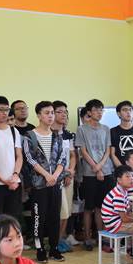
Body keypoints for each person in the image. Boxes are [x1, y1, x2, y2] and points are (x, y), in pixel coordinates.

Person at [23, 101, 68, 263]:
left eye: (52, 113)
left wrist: (54, 176)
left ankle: (54, 248)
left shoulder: (57, 136)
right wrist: (46, 175)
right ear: (39, 115)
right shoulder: (29, 136)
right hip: (39, 184)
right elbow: (30, 159)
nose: (50, 116)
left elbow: (62, 158)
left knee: (54, 216)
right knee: (38, 218)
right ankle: (40, 249)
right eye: (47, 113)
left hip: (55, 183)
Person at [76, 99, 114, 251]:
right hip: (89, 173)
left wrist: (101, 166)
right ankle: (87, 238)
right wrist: (96, 168)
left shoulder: (106, 128)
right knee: (88, 207)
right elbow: (83, 151)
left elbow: (107, 150)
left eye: (101, 110)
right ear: (89, 112)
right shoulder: (82, 129)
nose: (99, 113)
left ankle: (101, 237)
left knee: (101, 207)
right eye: (96, 110)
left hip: (106, 171)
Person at [0, 95, 23, 222]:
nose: (4, 113)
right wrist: (4, 180)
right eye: (1, 109)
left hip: (14, 183)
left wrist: (15, 175)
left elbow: (19, 156)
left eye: (7, 109)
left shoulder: (14, 131)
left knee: (13, 220)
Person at [54, 100, 78, 254]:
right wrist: (63, 173)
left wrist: (70, 171)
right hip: (56, 178)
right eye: (59, 112)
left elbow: (72, 155)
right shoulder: (49, 134)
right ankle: (54, 241)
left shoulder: (68, 135)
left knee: (67, 211)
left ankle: (61, 239)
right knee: (60, 211)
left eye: (65, 112)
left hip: (69, 176)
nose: (63, 114)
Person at [101, 165, 133, 236]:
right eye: (127, 176)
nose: (131, 179)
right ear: (119, 180)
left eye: (132, 176)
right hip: (115, 226)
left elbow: (128, 213)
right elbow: (125, 219)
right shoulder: (118, 195)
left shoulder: (123, 191)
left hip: (119, 222)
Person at [110, 100, 133, 167]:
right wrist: (123, 169)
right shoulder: (113, 131)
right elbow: (112, 154)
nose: (128, 112)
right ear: (119, 114)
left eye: (130, 110)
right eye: (125, 110)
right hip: (120, 169)